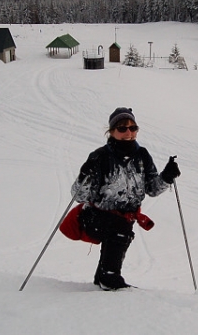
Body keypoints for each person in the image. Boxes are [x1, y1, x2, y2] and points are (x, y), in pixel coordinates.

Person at [71, 107, 181, 290]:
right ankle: (110, 279)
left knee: (120, 229)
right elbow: (79, 196)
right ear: (112, 131)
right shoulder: (100, 156)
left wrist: (166, 177)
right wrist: (84, 175)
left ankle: (102, 279)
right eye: (122, 128)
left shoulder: (142, 155)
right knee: (119, 229)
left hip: (125, 217)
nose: (128, 132)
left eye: (133, 128)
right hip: (97, 217)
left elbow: (152, 189)